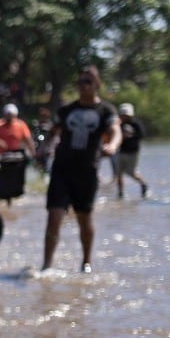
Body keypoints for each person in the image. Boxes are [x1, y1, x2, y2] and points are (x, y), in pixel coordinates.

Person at [42, 66, 121, 272]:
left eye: (87, 82)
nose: (83, 86)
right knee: (54, 216)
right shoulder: (67, 110)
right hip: (61, 169)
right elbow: (53, 131)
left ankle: (86, 262)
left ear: (97, 85)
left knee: (84, 218)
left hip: (87, 171)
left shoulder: (105, 110)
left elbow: (115, 130)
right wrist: (43, 148)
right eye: (80, 82)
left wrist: (112, 145)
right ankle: (47, 265)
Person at [115, 103, 148, 199]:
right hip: (121, 151)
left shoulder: (136, 124)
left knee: (131, 172)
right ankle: (120, 193)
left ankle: (143, 184)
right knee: (118, 173)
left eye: (126, 115)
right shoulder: (119, 124)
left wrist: (131, 136)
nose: (124, 116)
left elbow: (142, 135)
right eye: (122, 114)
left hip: (133, 152)